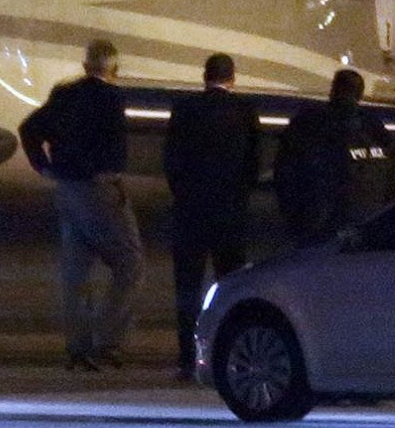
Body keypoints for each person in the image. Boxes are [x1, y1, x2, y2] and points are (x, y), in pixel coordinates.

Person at [19, 38, 142, 371]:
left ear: (86, 66)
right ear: (115, 70)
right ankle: (108, 340)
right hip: (100, 188)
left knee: (77, 270)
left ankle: (78, 348)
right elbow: (115, 150)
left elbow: (29, 128)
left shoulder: (65, 95)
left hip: (67, 187)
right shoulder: (112, 98)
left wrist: (44, 166)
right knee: (130, 263)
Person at [163, 53, 258, 381]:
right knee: (231, 287)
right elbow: (253, 164)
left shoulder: (184, 109)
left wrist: (184, 193)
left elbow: (171, 161)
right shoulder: (245, 111)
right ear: (232, 78)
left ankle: (187, 359)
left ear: (205, 76)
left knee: (187, 288)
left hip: (190, 211)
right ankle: (229, 355)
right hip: (229, 212)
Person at [273, 68, 395, 244]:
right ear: (360, 94)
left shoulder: (309, 123)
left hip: (328, 225)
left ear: (333, 90)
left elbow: (285, 171)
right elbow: (394, 179)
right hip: (351, 225)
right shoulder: (372, 128)